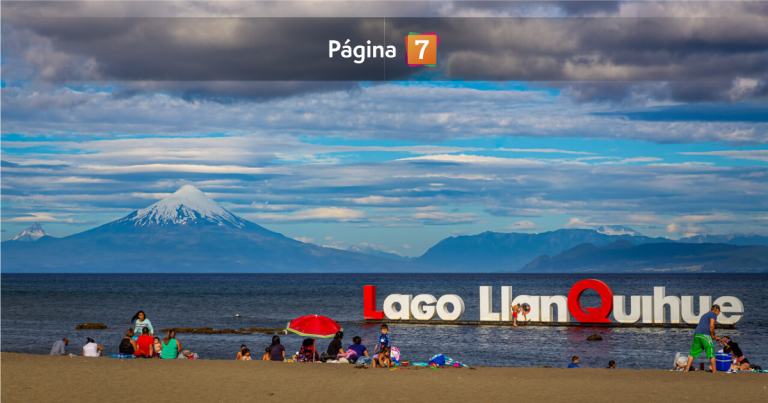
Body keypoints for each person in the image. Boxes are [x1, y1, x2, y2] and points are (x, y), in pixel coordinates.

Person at [685, 304, 721, 373]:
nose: (718, 314)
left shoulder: (705, 315)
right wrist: (712, 335)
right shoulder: (713, 314)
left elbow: (706, 326)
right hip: (705, 335)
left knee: (692, 354)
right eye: (719, 312)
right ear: (717, 310)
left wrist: (715, 336)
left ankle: (686, 370)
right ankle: (714, 371)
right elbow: (711, 325)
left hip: (697, 335)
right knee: (711, 353)